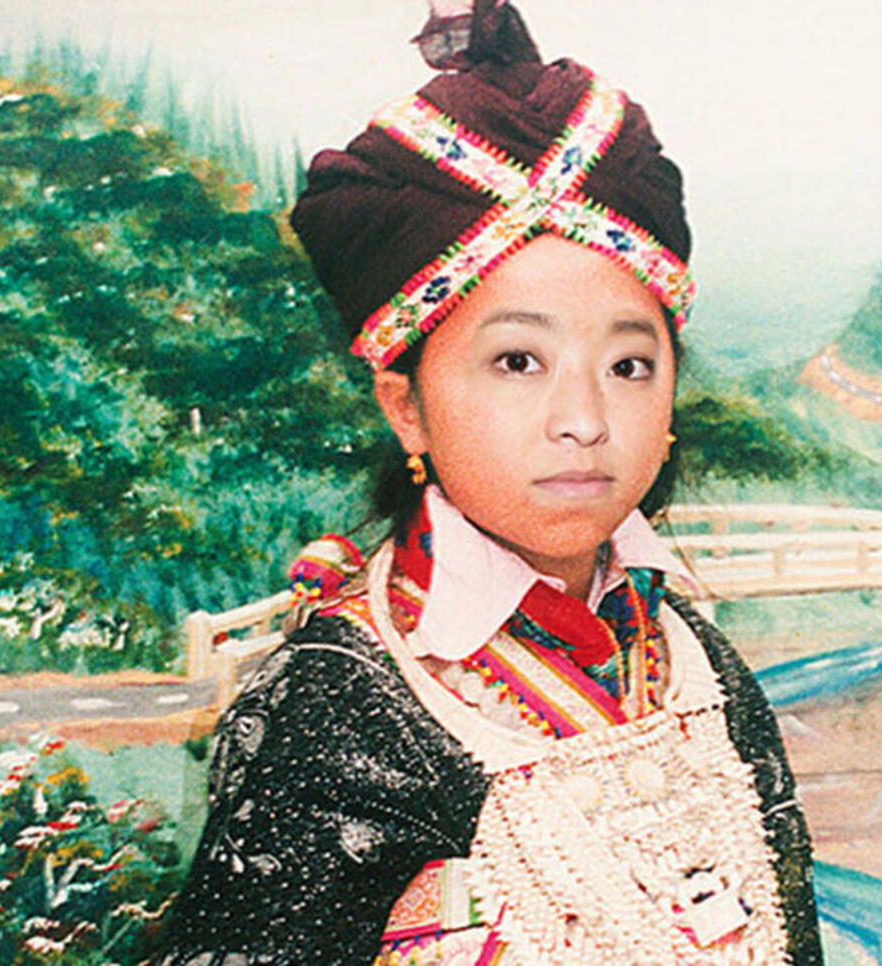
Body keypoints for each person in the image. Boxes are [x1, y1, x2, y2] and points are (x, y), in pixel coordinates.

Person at [159, 2, 822, 963]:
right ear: (407, 406)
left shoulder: (700, 668)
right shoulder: (339, 707)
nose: (584, 418)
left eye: (629, 365)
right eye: (518, 362)